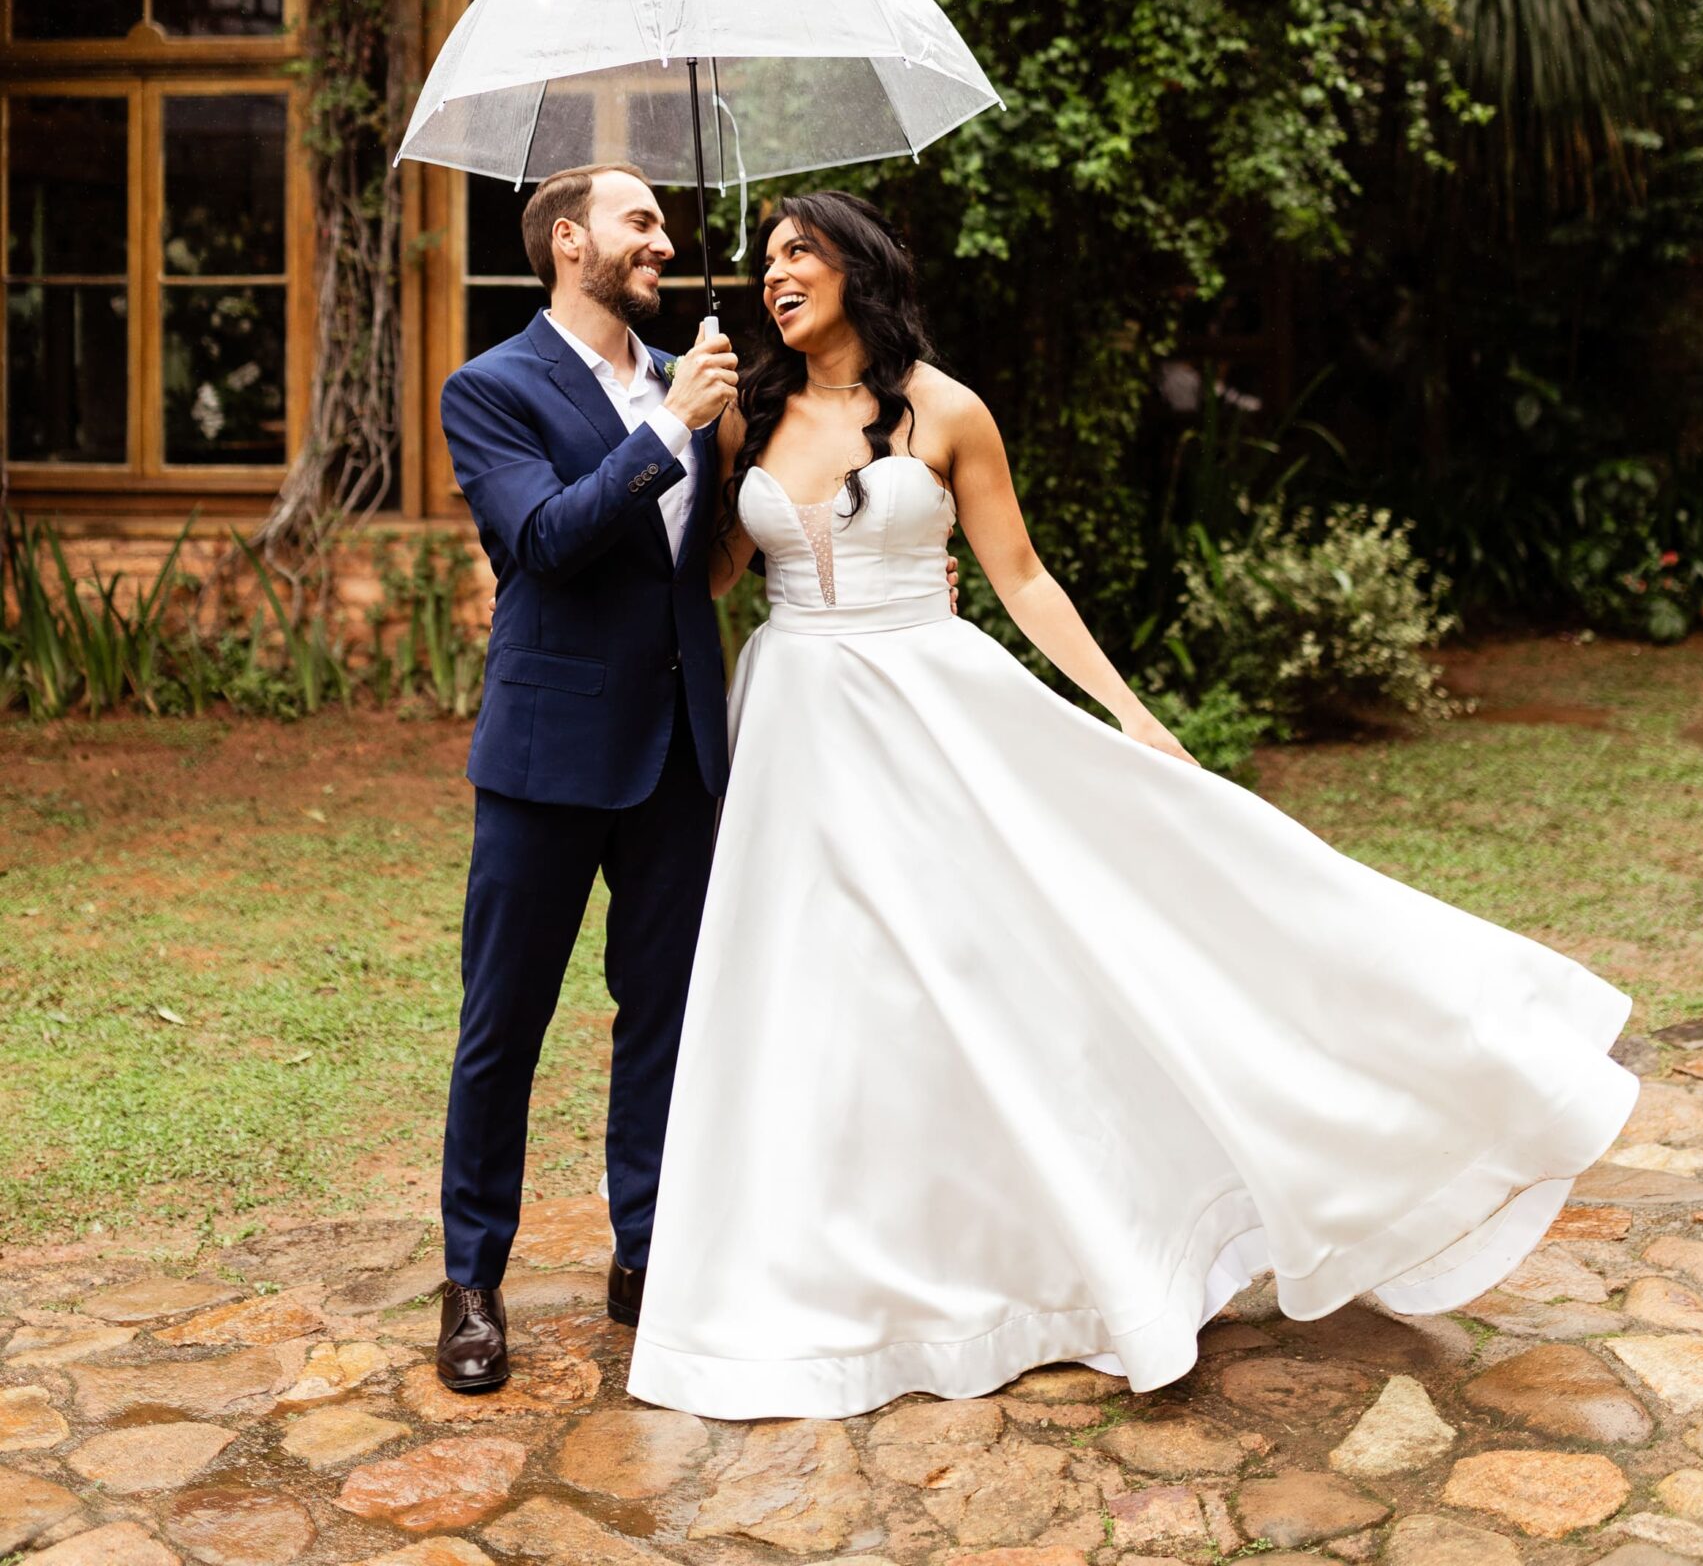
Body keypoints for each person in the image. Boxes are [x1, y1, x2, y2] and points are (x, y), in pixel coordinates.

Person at [625, 189, 1636, 1422]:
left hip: (931, 708)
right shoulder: (746, 410)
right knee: (814, 989)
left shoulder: (949, 410)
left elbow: (1020, 576)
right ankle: (828, 1273)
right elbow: (715, 573)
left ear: (859, 267)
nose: (775, 270)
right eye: (766, 255)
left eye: (800, 250)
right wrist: (693, 439)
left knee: (987, 963)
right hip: (793, 720)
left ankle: (1057, 1243)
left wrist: (1128, 710)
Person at [432, 163, 738, 1392]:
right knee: (503, 1024)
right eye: (639, 221)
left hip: (678, 749)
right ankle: (471, 1279)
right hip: (547, 755)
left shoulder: (687, 379)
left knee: (661, 1015)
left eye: (662, 223)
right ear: (570, 240)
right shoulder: (489, 388)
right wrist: (669, 431)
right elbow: (545, 541)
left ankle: (644, 1254)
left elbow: (712, 555)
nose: (662, 240)